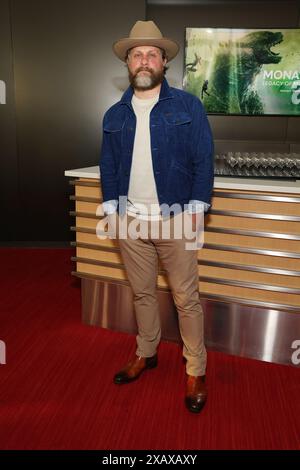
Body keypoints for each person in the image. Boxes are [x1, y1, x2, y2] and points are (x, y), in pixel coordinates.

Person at [99, 20, 214, 413]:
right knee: (143, 293)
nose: (144, 60)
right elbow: (109, 165)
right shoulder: (115, 114)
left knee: (186, 298)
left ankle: (195, 368)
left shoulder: (188, 106)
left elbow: (204, 158)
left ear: (164, 62)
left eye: (151, 54)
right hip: (130, 220)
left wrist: (198, 208)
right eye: (137, 54)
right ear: (128, 64)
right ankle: (146, 353)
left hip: (176, 216)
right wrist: (112, 211)